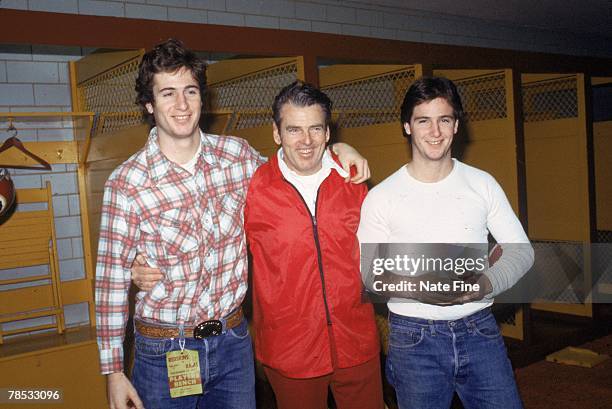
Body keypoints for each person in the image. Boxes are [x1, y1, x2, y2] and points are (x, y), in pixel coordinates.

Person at [95, 39, 369, 409]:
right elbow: (110, 282)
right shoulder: (126, 183)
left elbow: (296, 162)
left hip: (232, 343)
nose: (181, 105)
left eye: (190, 91)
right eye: (168, 93)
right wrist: (113, 372)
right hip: (165, 350)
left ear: (202, 98)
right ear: (149, 104)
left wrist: (339, 151)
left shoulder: (238, 158)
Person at [358, 76, 534, 409]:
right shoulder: (381, 198)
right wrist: (424, 289)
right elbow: (370, 275)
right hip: (414, 339)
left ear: (456, 126)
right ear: (407, 127)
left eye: (444, 120)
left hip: (480, 330)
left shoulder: (482, 185)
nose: (435, 132)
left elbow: (521, 250)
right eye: (423, 120)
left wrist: (484, 283)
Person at [244, 81, 383, 409]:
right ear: (277, 133)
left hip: (356, 341)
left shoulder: (354, 182)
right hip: (291, 350)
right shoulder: (252, 188)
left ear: (327, 132)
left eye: (315, 129)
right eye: (294, 129)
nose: (306, 141)